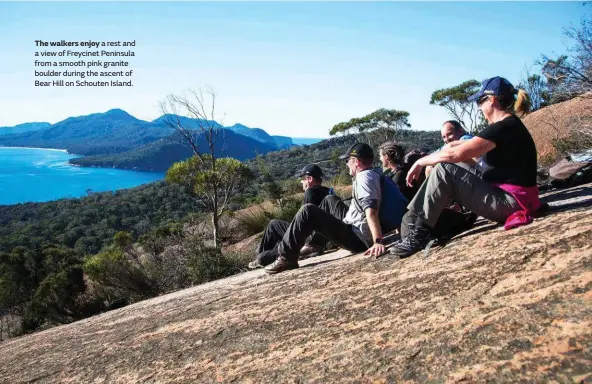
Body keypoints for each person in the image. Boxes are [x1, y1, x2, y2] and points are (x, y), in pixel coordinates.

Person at [389, 76, 540, 258]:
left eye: (480, 101)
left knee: (445, 169)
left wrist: (420, 162)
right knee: (451, 164)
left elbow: (455, 155)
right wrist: (448, 148)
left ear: (491, 100)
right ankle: (428, 220)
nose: (479, 107)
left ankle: (419, 233)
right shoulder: (509, 125)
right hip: (518, 198)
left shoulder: (502, 128)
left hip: (512, 203)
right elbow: (458, 149)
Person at [264, 142, 387, 274]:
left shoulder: (364, 178)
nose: (346, 164)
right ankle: (315, 244)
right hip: (352, 226)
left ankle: (287, 258)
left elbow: (371, 210)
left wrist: (378, 241)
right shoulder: (373, 173)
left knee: (307, 210)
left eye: (347, 160)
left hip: (359, 239)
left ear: (356, 161)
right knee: (330, 199)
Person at [249, 164, 334, 269]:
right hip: (321, 236)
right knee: (273, 224)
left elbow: (305, 222)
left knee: (262, 258)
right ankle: (259, 259)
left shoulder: (310, 192)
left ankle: (260, 259)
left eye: (303, 179)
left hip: (309, 240)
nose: (301, 182)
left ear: (310, 179)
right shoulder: (327, 191)